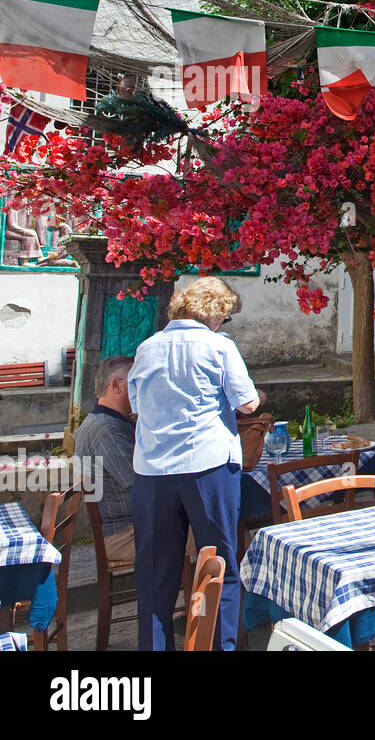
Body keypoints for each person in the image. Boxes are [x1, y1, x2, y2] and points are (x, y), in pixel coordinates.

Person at [128, 277, 266, 651]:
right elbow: (248, 404)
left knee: (155, 575)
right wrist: (257, 394)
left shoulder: (147, 348)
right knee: (219, 566)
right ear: (215, 313)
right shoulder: (218, 346)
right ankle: (221, 645)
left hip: (153, 471)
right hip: (207, 465)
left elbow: (137, 406)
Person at [73, 356, 137, 562]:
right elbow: (139, 484)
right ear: (117, 385)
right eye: (137, 382)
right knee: (207, 528)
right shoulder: (107, 430)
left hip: (129, 526)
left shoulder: (109, 422)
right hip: (124, 534)